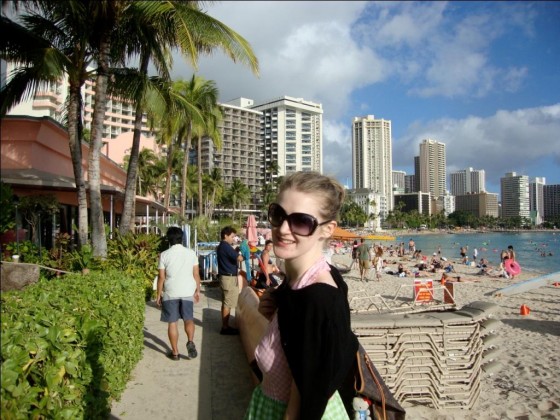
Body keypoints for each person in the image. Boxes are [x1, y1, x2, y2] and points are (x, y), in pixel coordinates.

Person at [245, 171, 359, 419]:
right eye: (278, 215)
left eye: (301, 222)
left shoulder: (319, 298)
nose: (283, 229)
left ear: (328, 230)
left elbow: (305, 402)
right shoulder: (298, 284)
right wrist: (279, 302)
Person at [156, 226, 201, 360]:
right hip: (187, 290)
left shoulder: (164, 255)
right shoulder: (191, 253)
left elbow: (161, 277)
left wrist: (158, 294)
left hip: (171, 292)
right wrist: (197, 290)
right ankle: (190, 341)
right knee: (188, 319)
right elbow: (196, 274)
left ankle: (175, 353)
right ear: (182, 238)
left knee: (172, 323)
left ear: (168, 239)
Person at [216, 226, 244, 335]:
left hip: (225, 277)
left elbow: (231, 256)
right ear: (225, 236)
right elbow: (239, 258)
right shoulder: (226, 246)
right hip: (229, 278)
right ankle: (225, 327)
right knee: (228, 303)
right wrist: (244, 254)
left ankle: (225, 325)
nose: (233, 239)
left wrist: (236, 251)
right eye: (232, 236)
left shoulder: (222, 246)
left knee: (225, 302)